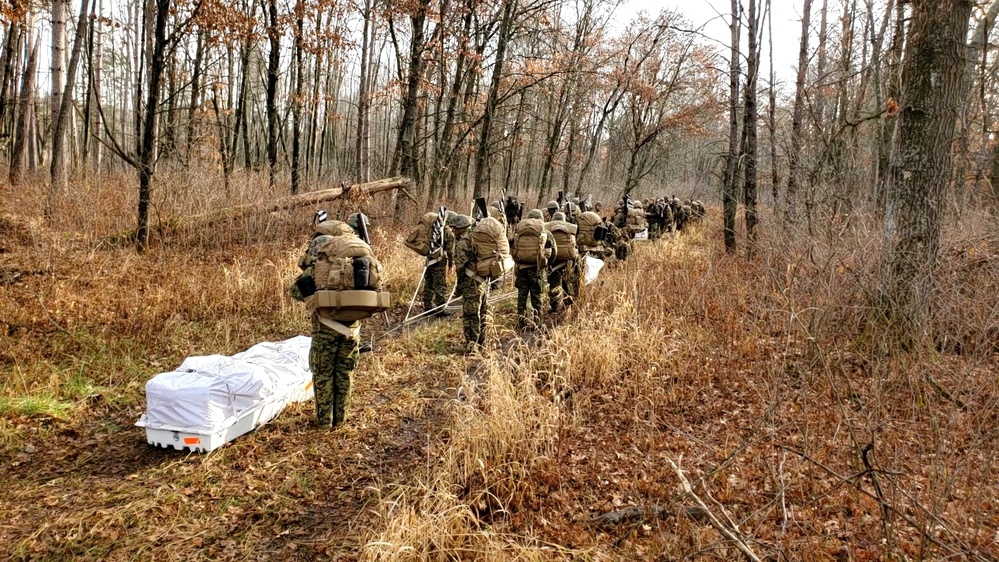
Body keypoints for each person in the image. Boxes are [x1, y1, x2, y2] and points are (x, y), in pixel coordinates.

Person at [290, 213, 366, 429]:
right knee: (345, 371)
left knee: (323, 373)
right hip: (352, 327)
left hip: (325, 327)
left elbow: (295, 291)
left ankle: (324, 422)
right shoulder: (360, 261)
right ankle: (340, 420)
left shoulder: (321, 265)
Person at [451, 214, 487, 353]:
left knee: (470, 315)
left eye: (454, 228)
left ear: (460, 228)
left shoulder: (462, 243)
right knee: (482, 312)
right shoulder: (475, 238)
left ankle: (472, 347)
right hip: (482, 281)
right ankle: (482, 343)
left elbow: (460, 267)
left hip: (471, 283)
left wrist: (459, 286)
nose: (453, 231)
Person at [513, 209, 553, 328]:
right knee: (536, 296)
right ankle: (537, 322)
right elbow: (553, 250)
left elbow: (513, 247)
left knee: (522, 295)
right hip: (537, 268)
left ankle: (521, 321)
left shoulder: (519, 230)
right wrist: (547, 264)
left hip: (522, 268)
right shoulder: (545, 231)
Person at [422, 213, 455, 316]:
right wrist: (450, 265)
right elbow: (450, 252)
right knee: (440, 285)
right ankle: (440, 310)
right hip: (440, 262)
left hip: (429, 260)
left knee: (428, 283)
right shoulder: (448, 233)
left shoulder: (432, 230)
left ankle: (427, 307)